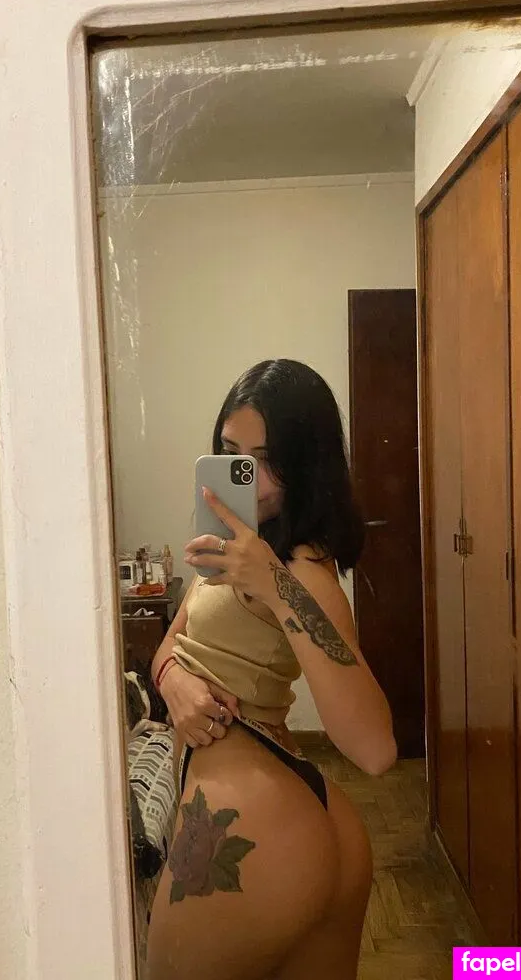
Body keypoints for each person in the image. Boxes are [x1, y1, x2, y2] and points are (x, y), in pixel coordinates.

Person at [145, 359, 396, 980]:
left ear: (308, 464)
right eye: (233, 455)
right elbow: (170, 646)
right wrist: (175, 682)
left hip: (250, 826)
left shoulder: (301, 568)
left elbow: (374, 749)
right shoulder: (235, 549)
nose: (249, 478)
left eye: (268, 459)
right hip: (279, 804)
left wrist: (276, 584)